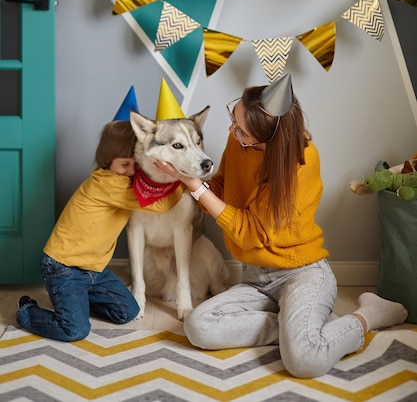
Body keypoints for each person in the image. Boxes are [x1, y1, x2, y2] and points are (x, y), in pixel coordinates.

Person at [154, 73, 408, 378]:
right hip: (255, 278)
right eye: (233, 120)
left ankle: (369, 315)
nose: (231, 131)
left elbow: (251, 233)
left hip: (301, 273)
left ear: (268, 136)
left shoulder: (302, 163)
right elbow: (220, 189)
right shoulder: (240, 145)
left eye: (241, 131)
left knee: (304, 361)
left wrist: (193, 185)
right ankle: (297, 328)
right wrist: (179, 175)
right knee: (198, 327)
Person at [16, 120, 141, 342]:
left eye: (136, 164)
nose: (131, 171)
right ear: (107, 160)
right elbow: (156, 204)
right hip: (64, 268)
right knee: (74, 331)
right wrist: (186, 183)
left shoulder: (126, 181)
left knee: (127, 312)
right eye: (124, 165)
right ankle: (26, 312)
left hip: (94, 270)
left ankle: (78, 303)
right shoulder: (106, 184)